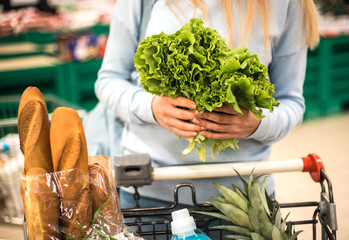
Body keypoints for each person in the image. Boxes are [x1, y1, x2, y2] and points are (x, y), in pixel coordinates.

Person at [92, 0, 319, 209]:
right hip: (149, 190)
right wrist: (151, 107)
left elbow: (292, 102)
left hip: (246, 200)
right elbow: (109, 80)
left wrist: (256, 124)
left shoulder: (287, 3)